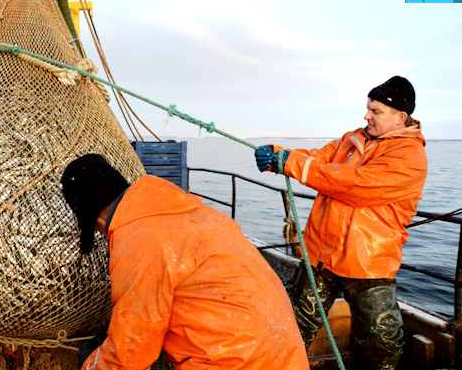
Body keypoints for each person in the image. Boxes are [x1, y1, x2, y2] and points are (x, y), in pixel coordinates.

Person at [61, 154, 309, 370]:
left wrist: (93, 362)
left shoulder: (138, 237)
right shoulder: (187, 210)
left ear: (92, 216)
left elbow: (131, 352)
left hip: (235, 361)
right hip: (284, 351)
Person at [253, 75, 427, 370]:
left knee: (379, 343)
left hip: (368, 264)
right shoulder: (352, 139)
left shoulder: (410, 157)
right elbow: (317, 159)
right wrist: (276, 154)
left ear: (400, 118)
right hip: (322, 255)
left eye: (375, 111)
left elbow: (355, 184)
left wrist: (291, 163)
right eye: (367, 108)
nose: (366, 116)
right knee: (294, 323)